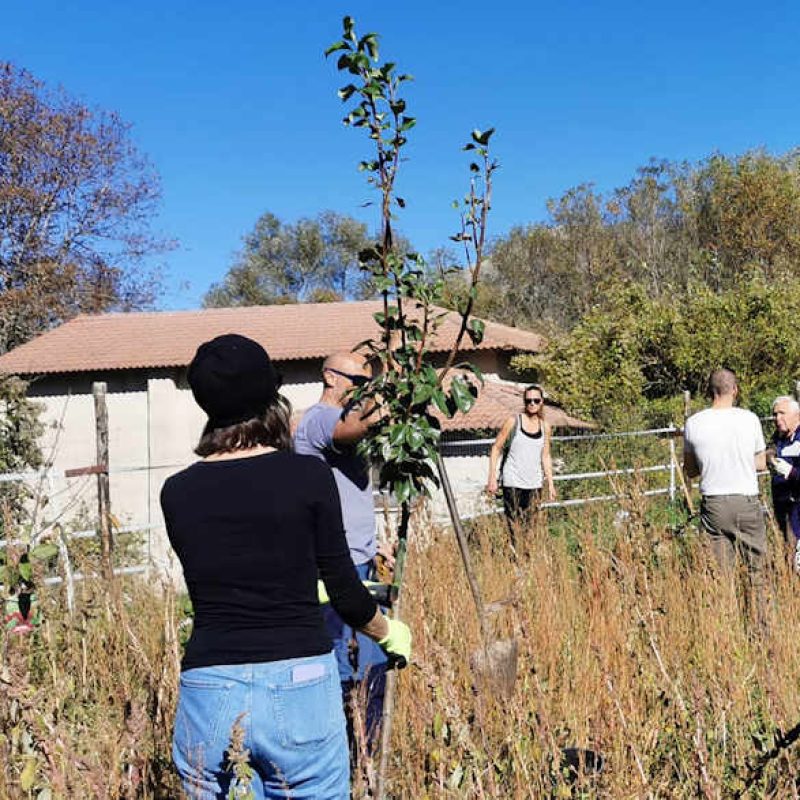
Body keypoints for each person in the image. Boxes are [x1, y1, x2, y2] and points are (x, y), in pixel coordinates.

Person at [161, 334, 410, 799]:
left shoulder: (176, 492)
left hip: (209, 690)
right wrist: (388, 631)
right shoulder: (306, 476)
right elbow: (345, 593)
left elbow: (231, 575)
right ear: (269, 397)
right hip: (298, 686)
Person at [293, 351, 388, 752]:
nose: (362, 388)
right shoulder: (319, 420)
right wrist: (385, 391)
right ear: (330, 377)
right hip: (336, 561)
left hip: (358, 554)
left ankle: (367, 744)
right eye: (356, 380)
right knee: (342, 653)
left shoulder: (339, 420)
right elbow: (355, 428)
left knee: (369, 655)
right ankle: (342, 746)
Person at [683, 369, 767, 594]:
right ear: (735, 390)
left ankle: (724, 622)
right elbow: (760, 463)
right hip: (746, 501)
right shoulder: (749, 419)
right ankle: (760, 626)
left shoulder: (694, 423)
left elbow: (690, 470)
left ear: (710, 392)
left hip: (714, 503)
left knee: (720, 575)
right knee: (756, 572)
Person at [487, 384, 556, 544]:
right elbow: (496, 448)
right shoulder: (513, 422)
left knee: (530, 526)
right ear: (524, 402)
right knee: (514, 525)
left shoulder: (545, 427)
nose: (532, 404)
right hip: (513, 481)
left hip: (534, 482)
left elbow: (545, 456)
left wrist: (551, 483)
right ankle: (515, 562)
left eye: (536, 400)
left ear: (541, 403)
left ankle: (526, 561)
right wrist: (492, 478)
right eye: (528, 400)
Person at [767, 395, 800, 554]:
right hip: (782, 506)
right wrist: (769, 456)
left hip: (797, 508)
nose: (777, 418)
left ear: (797, 415)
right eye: (775, 414)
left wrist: (791, 472)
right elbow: (769, 451)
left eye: (782, 413)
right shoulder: (778, 438)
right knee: (788, 552)